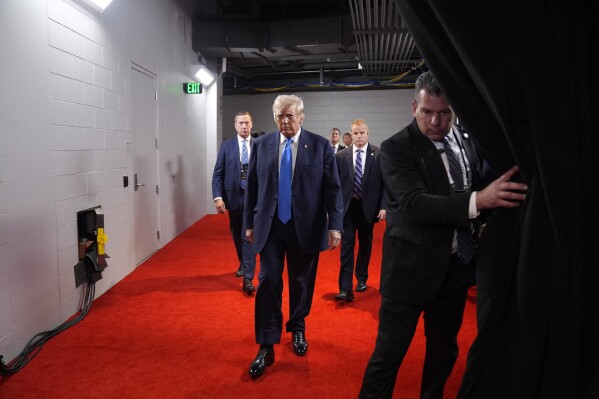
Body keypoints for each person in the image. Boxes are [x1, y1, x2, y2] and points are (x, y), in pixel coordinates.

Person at [358, 71, 527, 399]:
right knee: (388, 358)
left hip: (455, 268)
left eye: (444, 112)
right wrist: (481, 200)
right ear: (413, 108)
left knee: (442, 356)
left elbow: (478, 180)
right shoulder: (395, 148)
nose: (436, 121)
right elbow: (414, 204)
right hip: (408, 274)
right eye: (427, 112)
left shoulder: (464, 140)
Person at [244, 94, 343, 379]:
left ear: (301, 117)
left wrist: (334, 225)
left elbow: (333, 189)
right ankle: (266, 344)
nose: (284, 121)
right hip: (271, 226)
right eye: (279, 116)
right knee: (268, 281)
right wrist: (249, 223)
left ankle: (298, 326)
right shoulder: (261, 145)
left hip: (306, 226)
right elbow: (252, 185)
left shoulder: (320, 146)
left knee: (301, 282)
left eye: (289, 115)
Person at [334, 119, 386, 302]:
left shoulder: (378, 154)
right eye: (355, 133)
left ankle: (361, 278)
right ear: (350, 135)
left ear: (368, 133)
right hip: (347, 209)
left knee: (365, 245)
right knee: (346, 247)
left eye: (362, 133)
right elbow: (335, 185)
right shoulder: (341, 156)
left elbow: (384, 185)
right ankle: (345, 288)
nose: (359, 136)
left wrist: (383, 206)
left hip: (368, 208)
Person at [211, 111, 257, 294]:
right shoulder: (226, 146)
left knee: (248, 234)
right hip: (233, 198)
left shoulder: (259, 145)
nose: (244, 126)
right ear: (235, 125)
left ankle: (248, 277)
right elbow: (218, 173)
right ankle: (243, 262)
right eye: (240, 123)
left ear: (251, 124)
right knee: (237, 234)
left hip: (254, 198)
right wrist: (218, 197)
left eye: (247, 122)